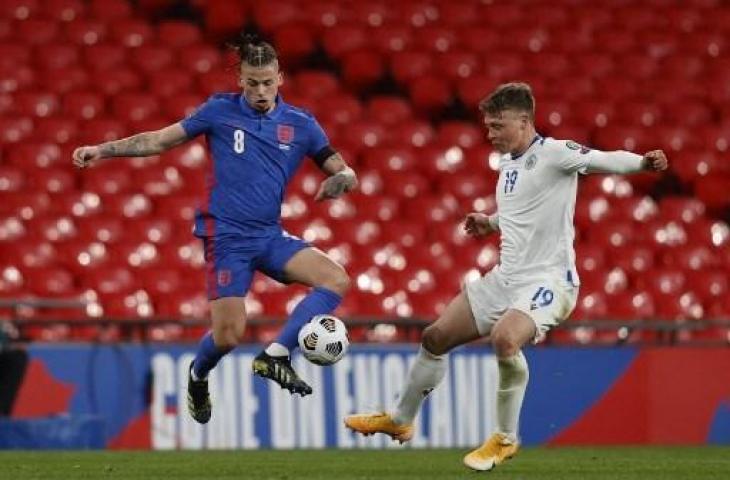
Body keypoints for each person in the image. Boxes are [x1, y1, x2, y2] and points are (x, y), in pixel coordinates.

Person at [344, 82, 668, 471]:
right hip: (505, 279)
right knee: (434, 337)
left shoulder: (554, 152)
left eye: (498, 125)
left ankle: (504, 438)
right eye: (488, 126)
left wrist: (643, 164)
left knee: (504, 339)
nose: (490, 134)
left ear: (524, 121)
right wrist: (490, 222)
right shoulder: (510, 165)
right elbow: (523, 212)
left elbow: (603, 159)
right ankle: (401, 420)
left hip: (550, 281)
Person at [73, 34, 358, 424]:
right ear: (240, 79)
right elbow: (158, 141)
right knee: (228, 337)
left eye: (268, 82)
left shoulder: (301, 124)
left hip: (269, 235)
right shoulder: (218, 112)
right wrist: (102, 150)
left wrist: (342, 180)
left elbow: (340, 167)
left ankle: (275, 356)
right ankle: (197, 375)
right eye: (253, 82)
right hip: (226, 239)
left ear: (281, 78)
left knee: (335, 278)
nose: (261, 90)